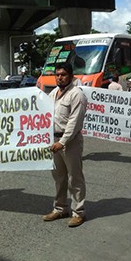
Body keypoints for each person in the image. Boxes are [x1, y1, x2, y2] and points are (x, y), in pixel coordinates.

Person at [43, 62, 88, 228]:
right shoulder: (53, 93)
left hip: (70, 142)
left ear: (71, 76)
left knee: (74, 178)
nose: (59, 77)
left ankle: (79, 212)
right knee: (59, 178)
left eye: (63, 74)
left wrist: (62, 142)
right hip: (54, 141)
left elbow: (74, 123)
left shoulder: (77, 95)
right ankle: (60, 208)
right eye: (57, 74)